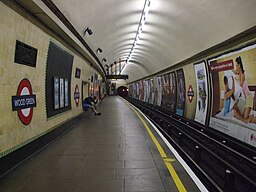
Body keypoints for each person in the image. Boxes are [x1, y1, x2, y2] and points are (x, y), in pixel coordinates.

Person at [232, 56, 254, 120]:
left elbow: (241, 85)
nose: (236, 67)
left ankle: (252, 118)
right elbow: (234, 72)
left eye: (236, 65)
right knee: (242, 116)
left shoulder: (242, 73)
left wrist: (236, 79)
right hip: (245, 98)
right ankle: (251, 117)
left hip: (249, 97)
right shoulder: (239, 73)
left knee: (244, 117)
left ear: (239, 65)